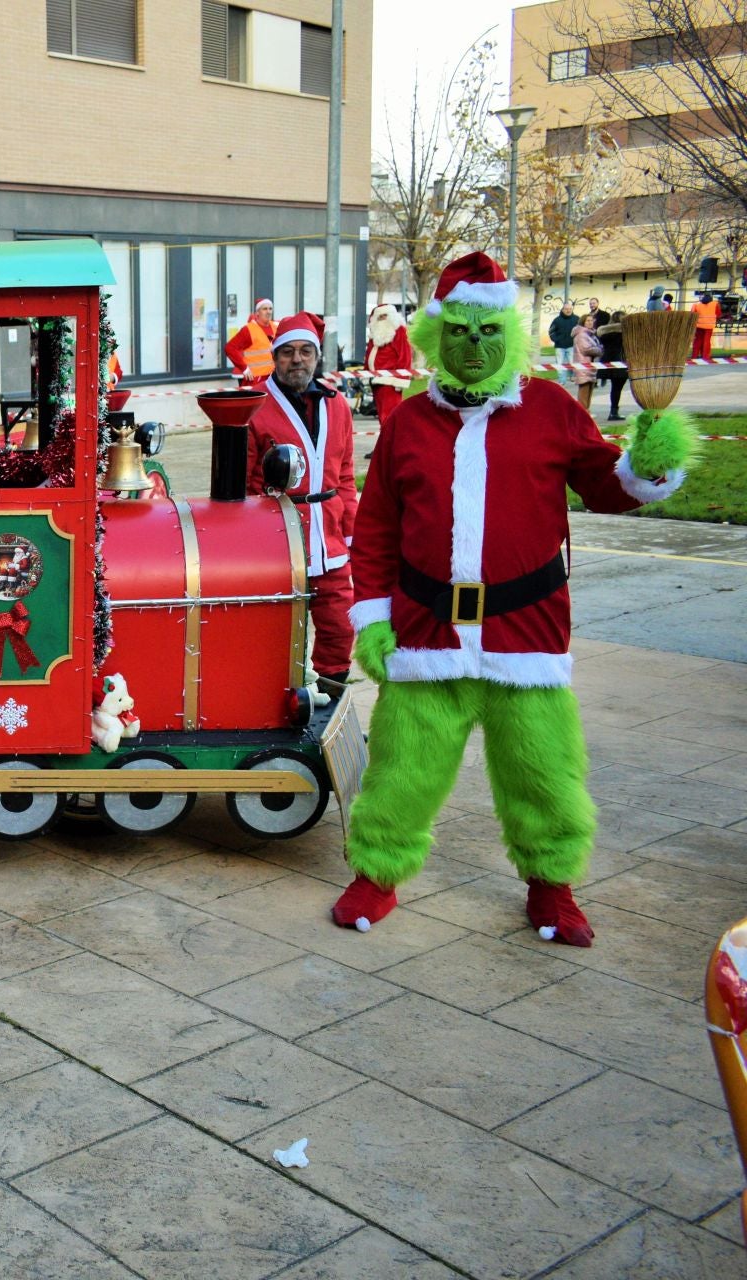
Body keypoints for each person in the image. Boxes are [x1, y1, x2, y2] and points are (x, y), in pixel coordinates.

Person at [335, 251, 693, 945]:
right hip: (425, 636)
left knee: (542, 769)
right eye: (462, 333)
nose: (476, 345)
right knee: (402, 768)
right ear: (438, 337)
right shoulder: (408, 424)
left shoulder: (551, 410)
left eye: (489, 330)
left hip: (524, 636)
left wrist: (649, 460)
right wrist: (372, 619)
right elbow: (374, 531)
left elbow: (607, 487)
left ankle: (553, 884)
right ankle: (376, 873)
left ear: (511, 333)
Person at [246, 312, 358, 694]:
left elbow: (344, 474)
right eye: (288, 352)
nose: (297, 360)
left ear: (317, 356)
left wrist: (351, 532)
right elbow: (245, 484)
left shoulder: (337, 405)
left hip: (329, 539)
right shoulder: (255, 404)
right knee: (278, 629)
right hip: (278, 540)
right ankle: (276, 703)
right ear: (275, 357)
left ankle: (329, 698)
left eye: (306, 352)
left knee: (340, 627)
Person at [365, 303, 413, 427]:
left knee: (390, 417)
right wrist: (365, 375)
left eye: (385, 316)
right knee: (383, 416)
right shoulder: (374, 334)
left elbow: (405, 356)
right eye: (379, 317)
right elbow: (369, 356)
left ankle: (391, 444)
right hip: (376, 381)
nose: (382, 319)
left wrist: (400, 379)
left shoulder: (399, 331)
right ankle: (386, 444)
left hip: (390, 381)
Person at [225, 298, 276, 387]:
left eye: (270, 309)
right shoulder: (248, 330)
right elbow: (229, 348)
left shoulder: (275, 327)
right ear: (257, 313)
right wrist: (244, 369)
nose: (268, 312)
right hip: (255, 380)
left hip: (273, 379)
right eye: (264, 309)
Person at [598, 311, 629, 422]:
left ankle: (613, 412)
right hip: (620, 362)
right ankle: (614, 412)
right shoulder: (625, 332)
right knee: (617, 388)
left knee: (614, 388)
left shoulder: (604, 332)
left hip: (606, 362)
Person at [572, 309, 602, 410]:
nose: (590, 322)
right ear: (583, 322)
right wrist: (599, 350)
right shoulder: (581, 334)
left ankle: (586, 412)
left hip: (591, 367)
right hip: (583, 367)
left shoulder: (591, 334)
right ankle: (582, 414)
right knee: (583, 394)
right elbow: (586, 349)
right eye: (587, 320)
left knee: (589, 393)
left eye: (591, 320)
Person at [692, 292, 720, 359]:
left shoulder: (696, 304)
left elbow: (692, 314)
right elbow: (718, 314)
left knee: (697, 341)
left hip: (699, 325)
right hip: (709, 326)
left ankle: (694, 356)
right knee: (706, 341)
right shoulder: (715, 304)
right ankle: (705, 356)